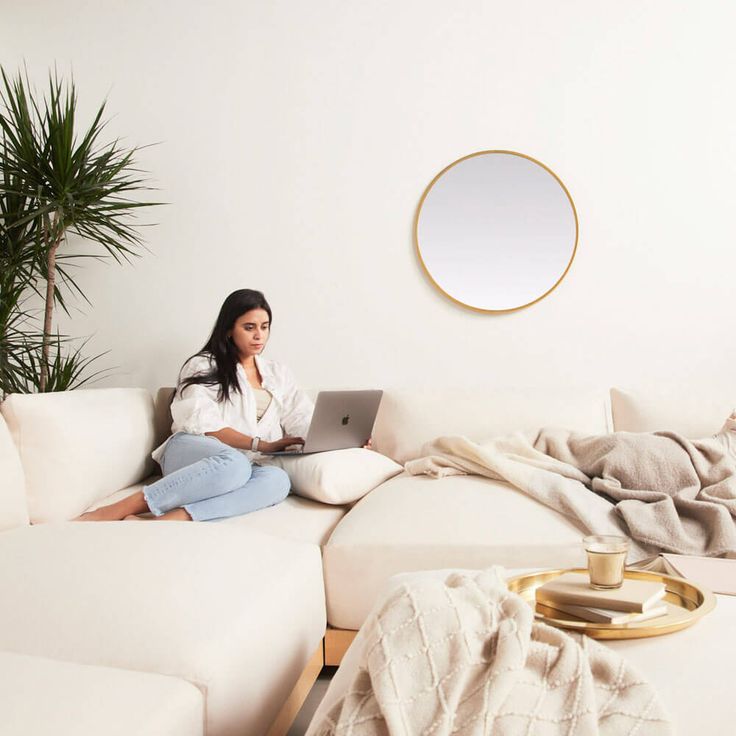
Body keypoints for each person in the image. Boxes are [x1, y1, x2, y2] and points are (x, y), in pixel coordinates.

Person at [77, 289, 312, 522]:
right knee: (234, 465)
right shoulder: (203, 365)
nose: (259, 335)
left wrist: (321, 437)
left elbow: (300, 416)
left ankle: (172, 519)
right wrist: (261, 445)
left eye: (265, 326)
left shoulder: (277, 373)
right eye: (249, 327)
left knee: (278, 480)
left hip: (247, 461)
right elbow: (203, 424)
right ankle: (114, 510)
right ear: (230, 329)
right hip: (193, 451)